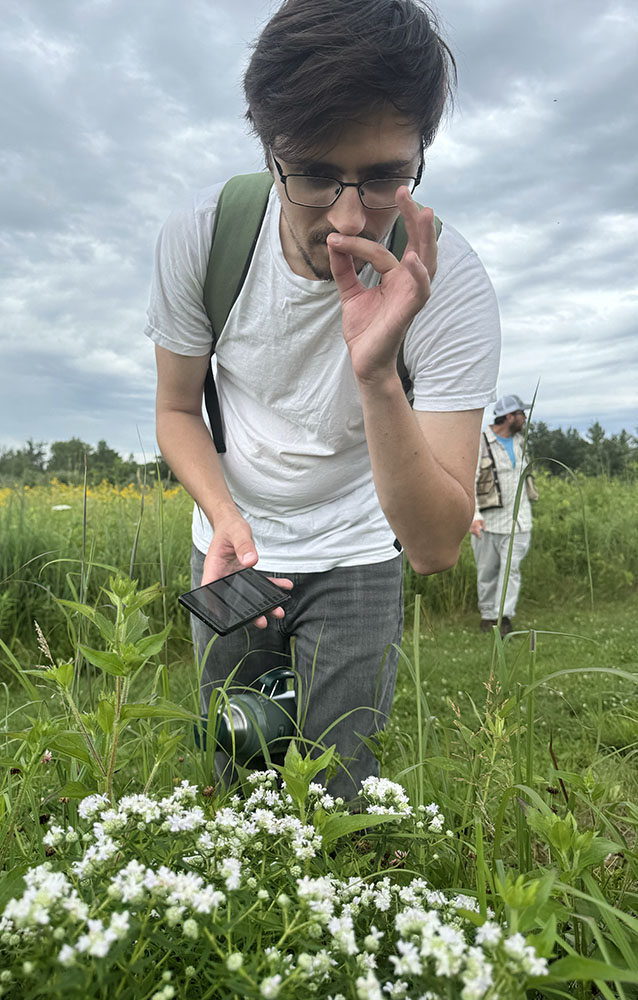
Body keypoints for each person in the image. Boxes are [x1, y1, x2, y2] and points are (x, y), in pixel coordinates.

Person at [145, 0, 501, 800]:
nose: (345, 217)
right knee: (234, 771)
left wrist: (376, 374)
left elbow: (439, 544)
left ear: (420, 154)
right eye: (311, 173)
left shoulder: (452, 288)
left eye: (382, 177)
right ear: (269, 149)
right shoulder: (203, 238)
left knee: (341, 788)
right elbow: (176, 413)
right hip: (232, 548)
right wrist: (226, 518)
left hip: (359, 550)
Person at [470, 394, 534, 637]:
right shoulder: (481, 442)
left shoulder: (521, 442)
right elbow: (471, 481)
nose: (524, 418)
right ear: (509, 416)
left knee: (512, 570)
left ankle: (503, 617)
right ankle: (487, 615)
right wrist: (473, 516)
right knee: (486, 572)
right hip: (487, 522)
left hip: (520, 522)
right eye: (521, 414)